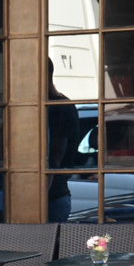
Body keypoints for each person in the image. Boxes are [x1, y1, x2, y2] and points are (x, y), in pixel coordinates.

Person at [46, 57, 81, 222]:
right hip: (56, 196)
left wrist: (41, 195)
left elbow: (55, 155)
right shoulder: (63, 105)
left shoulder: (57, 108)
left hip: (51, 199)